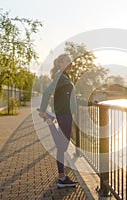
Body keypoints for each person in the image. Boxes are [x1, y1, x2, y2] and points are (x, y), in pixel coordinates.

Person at [39, 54, 79, 188]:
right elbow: (46, 92)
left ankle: (62, 178)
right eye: (68, 60)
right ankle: (49, 122)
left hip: (65, 114)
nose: (70, 62)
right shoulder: (60, 76)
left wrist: (91, 103)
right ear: (60, 63)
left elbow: (74, 99)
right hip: (64, 115)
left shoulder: (65, 77)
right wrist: (42, 110)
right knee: (62, 147)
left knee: (61, 148)